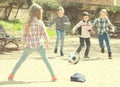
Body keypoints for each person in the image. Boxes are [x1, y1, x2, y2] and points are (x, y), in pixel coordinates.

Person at [8, 4, 57, 81]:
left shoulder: (27, 23)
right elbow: (44, 34)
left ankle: (12, 74)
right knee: (46, 61)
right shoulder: (40, 22)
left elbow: (24, 35)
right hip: (39, 45)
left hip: (29, 45)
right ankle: (53, 76)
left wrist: (23, 45)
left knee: (21, 60)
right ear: (39, 13)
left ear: (30, 12)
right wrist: (47, 42)